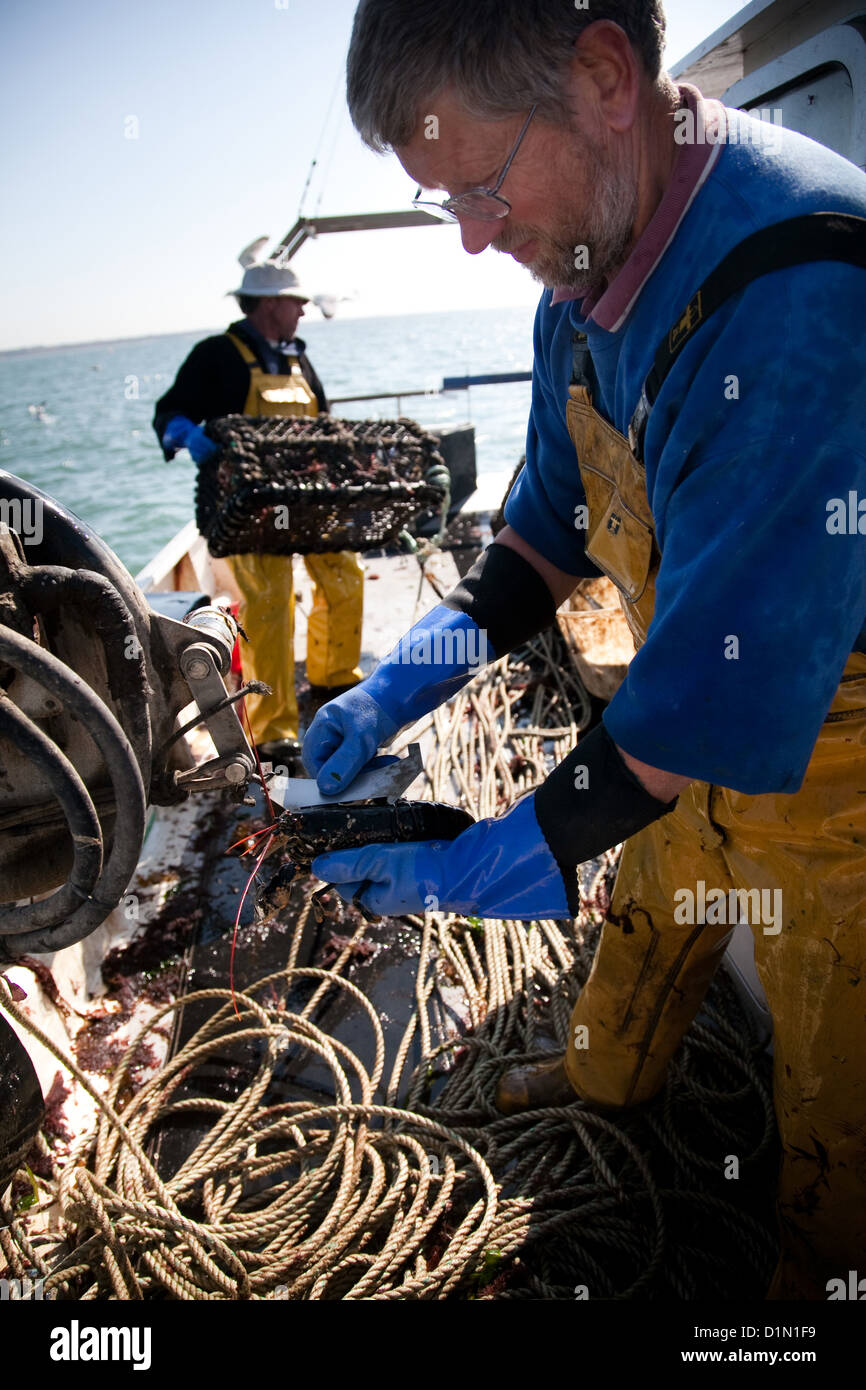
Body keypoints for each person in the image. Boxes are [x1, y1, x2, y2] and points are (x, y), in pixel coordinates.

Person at [301, 0, 866, 1299]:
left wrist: (497, 850)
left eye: (483, 186)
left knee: (837, 1107)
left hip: (832, 778)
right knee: (643, 928)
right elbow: (544, 539)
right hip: (678, 739)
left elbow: (692, 712)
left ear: (605, 77)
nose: (474, 237)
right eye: (446, 204)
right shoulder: (580, 272)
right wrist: (399, 685)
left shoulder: (798, 294)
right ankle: (606, 1073)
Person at [153, 254, 364, 765]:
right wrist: (187, 434)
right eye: (297, 303)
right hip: (251, 508)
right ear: (271, 304)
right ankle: (274, 731)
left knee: (345, 578)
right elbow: (168, 412)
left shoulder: (297, 357)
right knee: (270, 604)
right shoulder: (217, 355)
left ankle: (332, 681)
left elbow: (323, 420)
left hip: (308, 498)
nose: (304, 313)